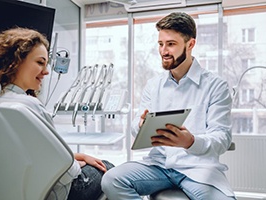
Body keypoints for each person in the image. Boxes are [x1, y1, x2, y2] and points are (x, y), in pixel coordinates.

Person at [101, 12, 236, 200]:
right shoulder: (153, 85)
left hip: (198, 169)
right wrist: (140, 125)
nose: (164, 51)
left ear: (190, 45)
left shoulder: (216, 86)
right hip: (159, 166)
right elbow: (135, 127)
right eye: (160, 44)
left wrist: (190, 142)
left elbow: (222, 138)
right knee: (111, 180)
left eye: (171, 44)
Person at [0, 27, 114, 200]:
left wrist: (75, 156)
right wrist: (75, 163)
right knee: (109, 169)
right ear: (15, 61)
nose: (46, 72)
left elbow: (24, 154)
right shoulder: (28, 106)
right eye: (40, 63)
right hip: (56, 193)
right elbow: (68, 173)